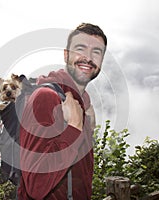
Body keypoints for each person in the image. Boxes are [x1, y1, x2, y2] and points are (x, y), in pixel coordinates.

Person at [18, 23, 107, 200]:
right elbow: (36, 186)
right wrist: (73, 128)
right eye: (80, 48)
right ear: (66, 55)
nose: (88, 58)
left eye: (96, 52)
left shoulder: (82, 104)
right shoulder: (45, 98)